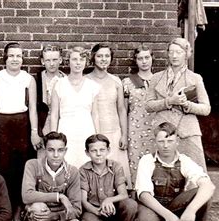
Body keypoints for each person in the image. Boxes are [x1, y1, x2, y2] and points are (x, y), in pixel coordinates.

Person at [134, 122, 215, 221]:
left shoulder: (185, 161)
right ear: (155, 142)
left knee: (203, 196)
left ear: (177, 142)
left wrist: (190, 211)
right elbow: (144, 195)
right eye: (161, 141)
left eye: (170, 141)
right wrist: (169, 216)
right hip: (152, 207)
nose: (165, 146)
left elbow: (209, 186)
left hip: (174, 205)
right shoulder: (147, 160)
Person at [0, 42, 40, 221]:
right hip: (2, 126)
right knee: (3, 171)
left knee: (20, 172)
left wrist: (34, 132)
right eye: (12, 55)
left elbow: (33, 109)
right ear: (5, 57)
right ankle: (6, 217)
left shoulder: (28, 79)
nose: (15, 59)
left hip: (22, 126)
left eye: (19, 56)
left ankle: (18, 218)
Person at [22, 132, 86, 221]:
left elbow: (77, 209)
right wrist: (59, 196)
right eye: (51, 150)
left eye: (60, 150)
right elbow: (27, 195)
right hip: (38, 215)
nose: (56, 155)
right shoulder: (33, 165)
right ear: (45, 149)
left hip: (59, 217)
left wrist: (54, 216)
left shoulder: (72, 171)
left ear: (65, 151)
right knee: (37, 208)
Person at [145, 37, 211, 171]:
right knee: (161, 172)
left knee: (193, 173)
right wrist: (169, 101)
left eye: (179, 52)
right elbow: (148, 105)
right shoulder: (156, 77)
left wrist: (187, 105)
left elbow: (206, 109)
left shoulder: (195, 78)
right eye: (171, 52)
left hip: (187, 132)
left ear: (186, 54)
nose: (174, 56)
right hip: (162, 132)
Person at [80, 134, 137, 221]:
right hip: (94, 210)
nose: (98, 154)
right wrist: (97, 211)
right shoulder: (83, 171)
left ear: (108, 150)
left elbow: (123, 194)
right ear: (87, 153)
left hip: (113, 209)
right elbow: (83, 200)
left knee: (130, 205)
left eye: (102, 150)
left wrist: (108, 200)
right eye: (93, 151)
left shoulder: (116, 167)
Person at [87, 43, 131, 188]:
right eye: (100, 56)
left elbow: (121, 109)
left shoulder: (116, 80)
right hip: (95, 131)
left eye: (107, 56)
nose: (103, 59)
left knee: (116, 171)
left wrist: (124, 135)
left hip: (114, 131)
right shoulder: (86, 80)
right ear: (93, 58)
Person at [50, 46, 100, 168]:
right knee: (67, 164)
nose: (78, 63)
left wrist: (97, 137)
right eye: (74, 59)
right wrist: (53, 136)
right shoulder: (59, 84)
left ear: (86, 62)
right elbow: (54, 114)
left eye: (81, 60)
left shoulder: (92, 86)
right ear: (68, 61)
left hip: (86, 130)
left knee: (85, 164)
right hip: (66, 130)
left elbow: (95, 114)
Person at [122, 44, 155, 187]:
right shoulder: (128, 82)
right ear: (136, 61)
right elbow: (123, 109)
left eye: (147, 57)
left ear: (152, 58)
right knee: (135, 162)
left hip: (155, 129)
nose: (144, 61)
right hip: (135, 129)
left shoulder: (159, 80)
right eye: (140, 58)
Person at [35, 44, 65, 138]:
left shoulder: (66, 80)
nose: (52, 64)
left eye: (55, 60)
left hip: (61, 123)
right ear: (43, 61)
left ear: (60, 60)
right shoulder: (37, 80)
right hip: (42, 125)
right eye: (48, 60)